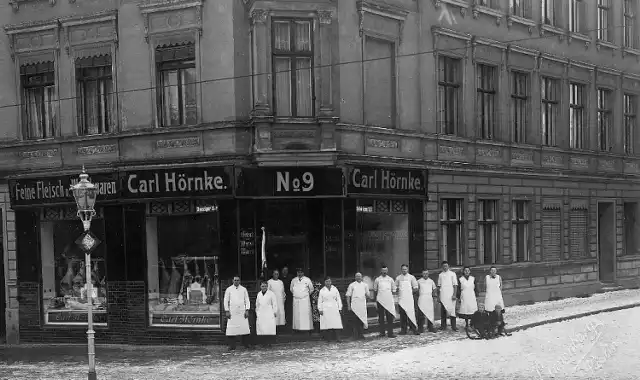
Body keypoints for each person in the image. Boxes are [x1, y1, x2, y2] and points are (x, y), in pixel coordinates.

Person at [224, 276, 252, 351]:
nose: (236, 281)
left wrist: (247, 310)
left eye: (238, 280)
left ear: (240, 281)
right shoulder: (229, 289)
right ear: (233, 280)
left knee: (244, 328)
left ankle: (246, 344)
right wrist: (227, 310)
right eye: (235, 280)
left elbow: (247, 300)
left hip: (242, 312)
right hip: (232, 312)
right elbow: (226, 300)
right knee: (231, 329)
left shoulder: (243, 289)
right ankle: (232, 345)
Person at [317, 276, 343, 342]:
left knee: (336, 323)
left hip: (334, 307)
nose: (328, 283)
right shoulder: (322, 290)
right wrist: (320, 309)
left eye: (329, 281)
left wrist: (340, 307)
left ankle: (338, 338)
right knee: (327, 324)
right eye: (326, 281)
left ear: (331, 282)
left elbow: (338, 298)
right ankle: (328, 339)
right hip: (326, 308)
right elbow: (320, 300)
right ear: (324, 282)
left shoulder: (335, 289)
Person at [395, 264, 419, 335]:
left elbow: (416, 288)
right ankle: (403, 330)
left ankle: (414, 329)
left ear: (407, 269)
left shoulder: (412, 277)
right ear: (401, 270)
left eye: (405, 269)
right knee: (403, 316)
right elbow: (394, 287)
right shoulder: (398, 278)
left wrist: (410, 291)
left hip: (409, 299)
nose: (404, 270)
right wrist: (397, 290)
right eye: (403, 269)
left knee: (411, 314)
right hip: (401, 299)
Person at [373, 265, 397, 338]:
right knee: (381, 318)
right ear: (381, 271)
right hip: (380, 300)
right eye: (383, 271)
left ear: (387, 271)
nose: (384, 272)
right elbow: (375, 290)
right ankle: (382, 333)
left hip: (389, 300)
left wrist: (391, 299)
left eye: (385, 271)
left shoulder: (390, 279)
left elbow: (394, 290)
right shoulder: (377, 280)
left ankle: (390, 333)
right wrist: (376, 300)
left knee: (389, 317)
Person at [346, 272, 370, 340]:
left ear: (361, 277)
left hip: (362, 305)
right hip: (354, 306)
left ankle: (361, 335)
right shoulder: (352, 285)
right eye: (357, 276)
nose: (358, 277)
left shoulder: (365, 285)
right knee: (355, 321)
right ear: (355, 277)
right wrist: (348, 306)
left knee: (361, 321)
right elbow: (348, 296)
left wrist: (367, 296)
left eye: (359, 276)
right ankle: (355, 335)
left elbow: (368, 295)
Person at [290, 268, 314, 334]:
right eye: (298, 272)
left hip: (305, 300)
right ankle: (297, 330)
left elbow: (311, 289)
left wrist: (305, 295)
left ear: (303, 273)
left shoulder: (307, 279)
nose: (299, 274)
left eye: (301, 272)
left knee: (305, 314)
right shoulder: (294, 280)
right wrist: (297, 294)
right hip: (296, 300)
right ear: (297, 273)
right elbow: (291, 289)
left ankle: (307, 330)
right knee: (296, 315)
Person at [255, 281, 278, 347]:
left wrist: (275, 311)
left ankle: (269, 342)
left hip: (269, 312)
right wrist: (257, 312)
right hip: (261, 313)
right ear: (260, 287)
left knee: (269, 328)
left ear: (267, 287)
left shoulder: (271, 294)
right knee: (262, 328)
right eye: (262, 286)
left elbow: (274, 303)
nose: (264, 287)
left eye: (265, 286)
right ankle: (263, 343)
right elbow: (257, 304)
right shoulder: (259, 294)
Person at [437, 261, 458, 331]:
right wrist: (439, 296)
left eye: (446, 266)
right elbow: (439, 286)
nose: (445, 267)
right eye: (443, 266)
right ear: (442, 267)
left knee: (452, 311)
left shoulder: (452, 274)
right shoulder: (440, 275)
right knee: (443, 312)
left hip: (451, 295)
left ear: (448, 266)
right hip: (443, 295)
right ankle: (443, 326)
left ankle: (454, 326)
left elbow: (455, 285)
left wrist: (454, 294)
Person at [417, 269, 437, 333]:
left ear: (428, 274)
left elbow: (434, 289)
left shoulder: (431, 281)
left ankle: (430, 327)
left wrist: (435, 298)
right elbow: (416, 289)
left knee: (430, 313)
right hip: (422, 298)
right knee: (421, 314)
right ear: (422, 274)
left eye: (426, 273)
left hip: (429, 298)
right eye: (424, 273)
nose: (425, 275)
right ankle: (420, 328)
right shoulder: (419, 281)